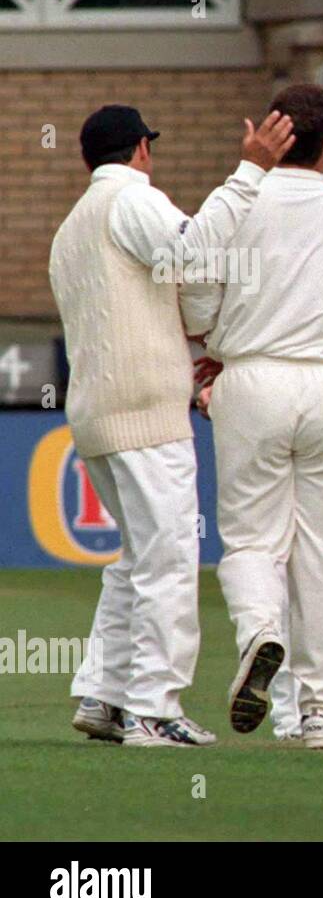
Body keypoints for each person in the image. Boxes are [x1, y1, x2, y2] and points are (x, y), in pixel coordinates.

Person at [50, 105, 293, 747]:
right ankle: (153, 708)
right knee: (170, 559)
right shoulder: (133, 198)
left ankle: (103, 694)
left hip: (97, 414)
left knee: (137, 559)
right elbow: (191, 252)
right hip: (146, 412)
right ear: (140, 151)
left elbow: (135, 302)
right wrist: (250, 172)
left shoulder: (73, 224)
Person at [188, 84, 323, 751]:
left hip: (252, 377)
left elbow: (194, 305)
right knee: (322, 549)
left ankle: (260, 632)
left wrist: (215, 343)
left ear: (268, 134)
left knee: (251, 540)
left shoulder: (241, 202)